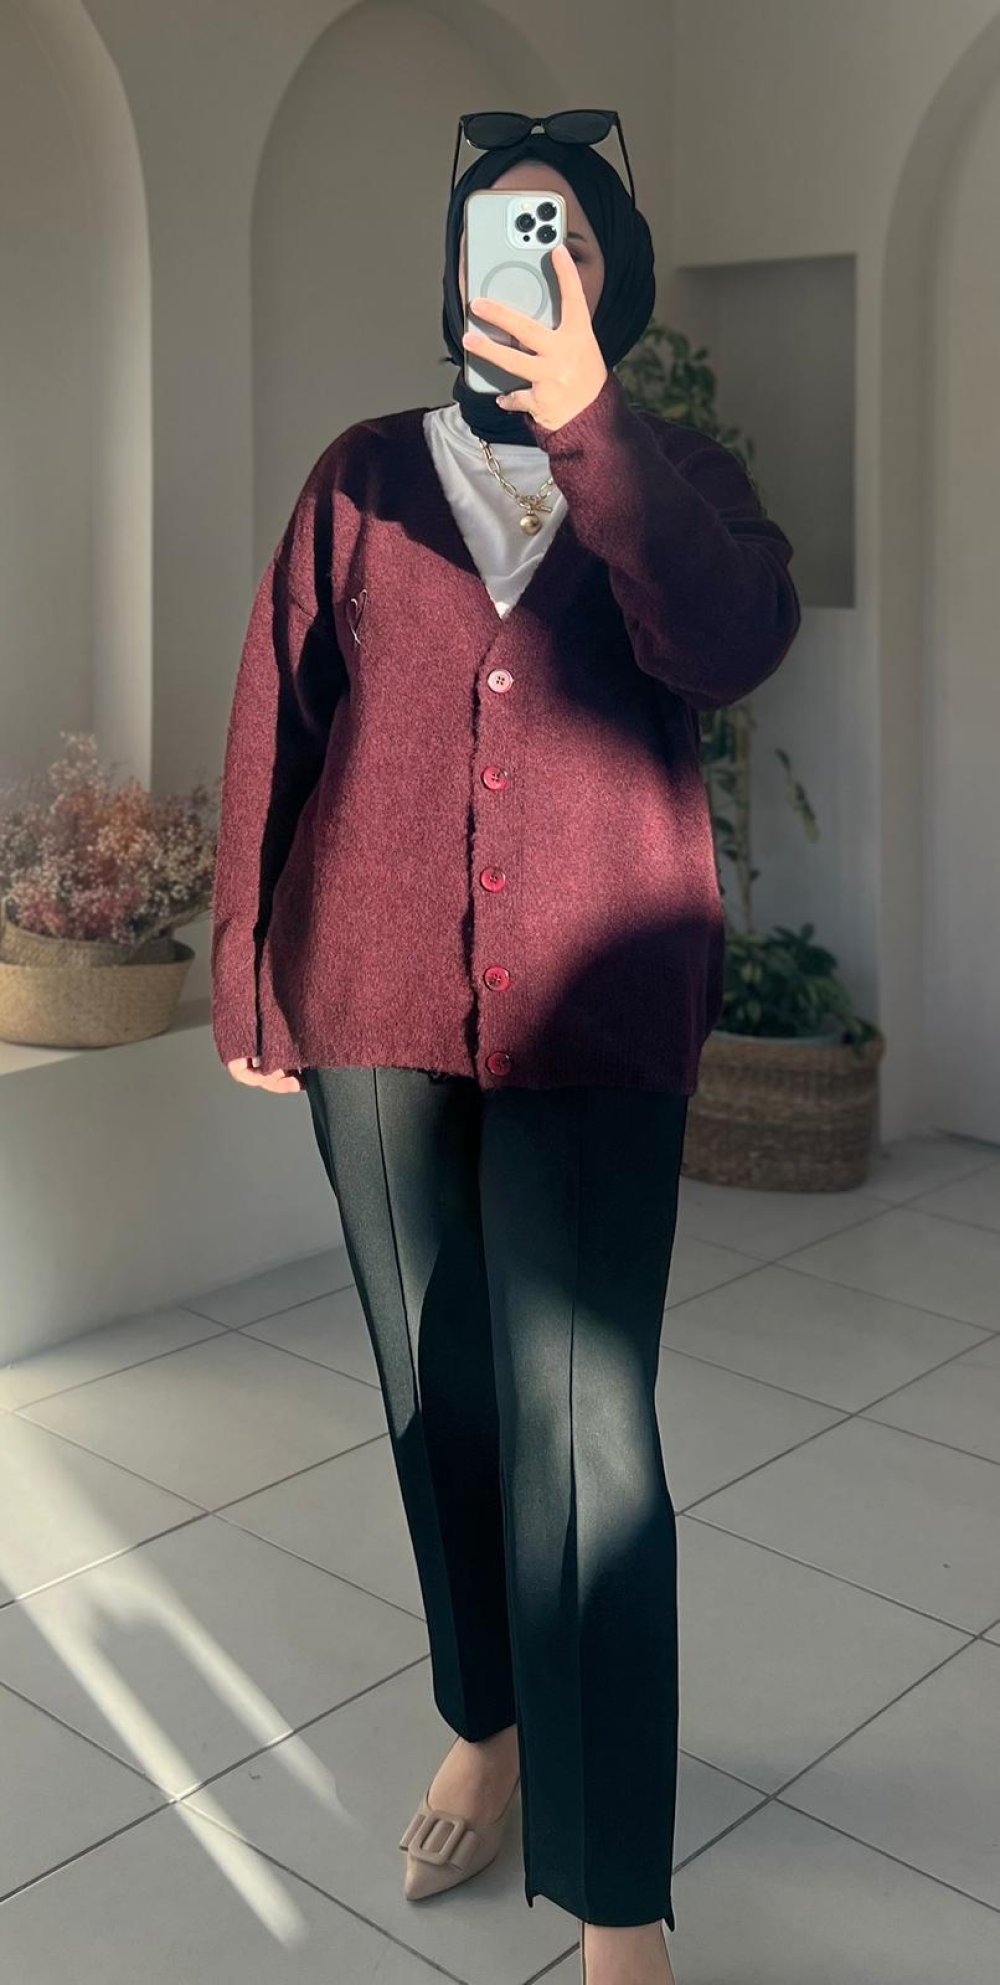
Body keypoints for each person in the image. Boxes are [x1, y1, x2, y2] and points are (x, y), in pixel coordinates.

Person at [211, 114, 801, 1985]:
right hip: (371, 1007)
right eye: (495, 234)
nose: (527, 264)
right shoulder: (362, 476)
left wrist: (593, 427)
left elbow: (733, 640)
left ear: (610, 274)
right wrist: (246, 969)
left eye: (560, 239)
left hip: (600, 1025)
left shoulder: (681, 477)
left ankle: (619, 1900)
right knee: (437, 1393)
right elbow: (276, 714)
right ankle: (489, 1719)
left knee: (589, 1444)